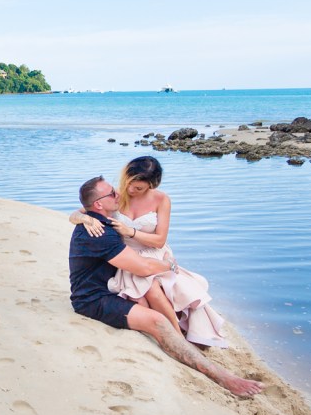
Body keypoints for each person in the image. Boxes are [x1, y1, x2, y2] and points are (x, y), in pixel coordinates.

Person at [69, 175, 263, 398]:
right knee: (158, 322)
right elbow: (141, 267)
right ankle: (224, 378)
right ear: (99, 204)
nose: (118, 195)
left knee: (161, 289)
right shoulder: (98, 233)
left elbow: (82, 211)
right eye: (112, 193)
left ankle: (189, 338)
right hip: (93, 299)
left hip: (115, 287)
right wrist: (168, 264)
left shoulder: (100, 220)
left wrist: (79, 216)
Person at [69, 156, 228, 348]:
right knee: (149, 287)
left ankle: (181, 332)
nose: (131, 191)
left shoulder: (161, 199)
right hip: (128, 255)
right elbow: (82, 209)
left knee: (163, 286)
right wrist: (86, 219)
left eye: (139, 188)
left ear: (151, 186)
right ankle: (176, 335)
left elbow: (160, 240)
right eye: (130, 184)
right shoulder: (116, 196)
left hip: (154, 251)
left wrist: (131, 231)